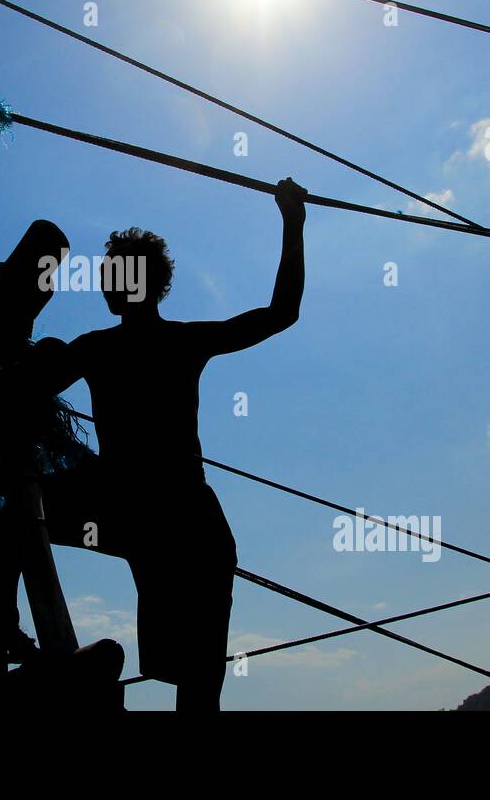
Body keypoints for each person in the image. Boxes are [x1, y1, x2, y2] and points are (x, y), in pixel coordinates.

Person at [30, 177, 307, 710]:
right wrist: (291, 222)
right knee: (196, 692)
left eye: (111, 276)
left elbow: (22, 386)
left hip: (151, 518)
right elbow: (282, 313)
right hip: (182, 522)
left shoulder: (98, 349)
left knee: (10, 514)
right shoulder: (177, 341)